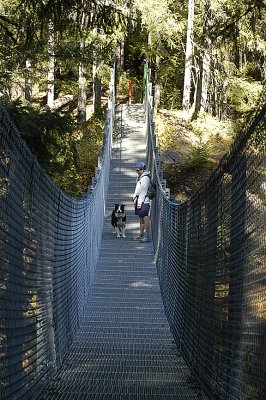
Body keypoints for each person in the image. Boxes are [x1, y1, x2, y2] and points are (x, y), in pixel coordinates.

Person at [132, 161, 151, 243]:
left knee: (145, 217)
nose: (137, 171)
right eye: (136, 170)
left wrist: (139, 202)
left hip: (144, 201)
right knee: (141, 217)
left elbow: (143, 191)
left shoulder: (145, 178)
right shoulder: (141, 177)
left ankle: (147, 237)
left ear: (143, 169)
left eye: (138, 170)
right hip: (139, 200)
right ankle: (141, 235)